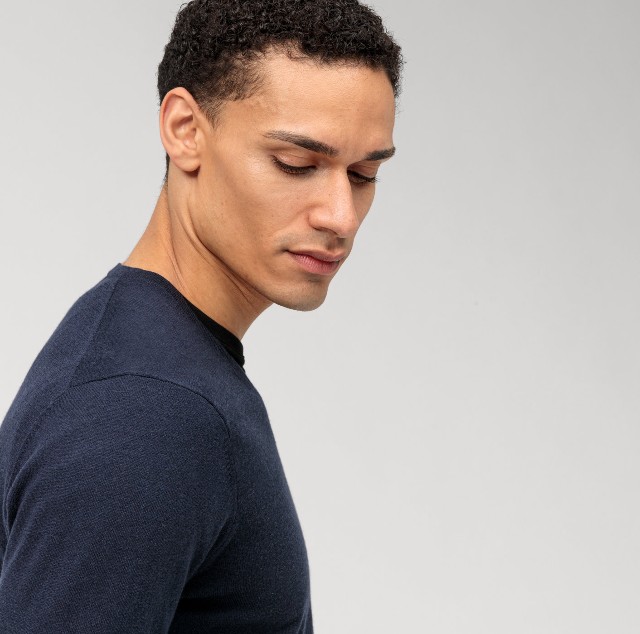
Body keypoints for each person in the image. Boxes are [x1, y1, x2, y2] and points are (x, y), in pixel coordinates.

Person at [0, 0, 401, 631]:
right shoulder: (145, 414)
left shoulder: (150, 366)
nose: (340, 216)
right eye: (297, 165)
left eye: (363, 174)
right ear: (185, 129)